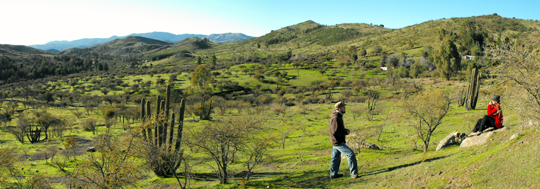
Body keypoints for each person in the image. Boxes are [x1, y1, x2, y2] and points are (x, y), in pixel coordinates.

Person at [329, 101, 358, 179]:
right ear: (340, 108)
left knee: (335, 158)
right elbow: (336, 131)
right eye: (343, 107)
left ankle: (333, 174)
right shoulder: (336, 117)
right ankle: (353, 173)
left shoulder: (337, 116)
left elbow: (337, 129)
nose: (345, 108)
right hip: (337, 141)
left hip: (335, 141)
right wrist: (345, 132)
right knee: (350, 154)